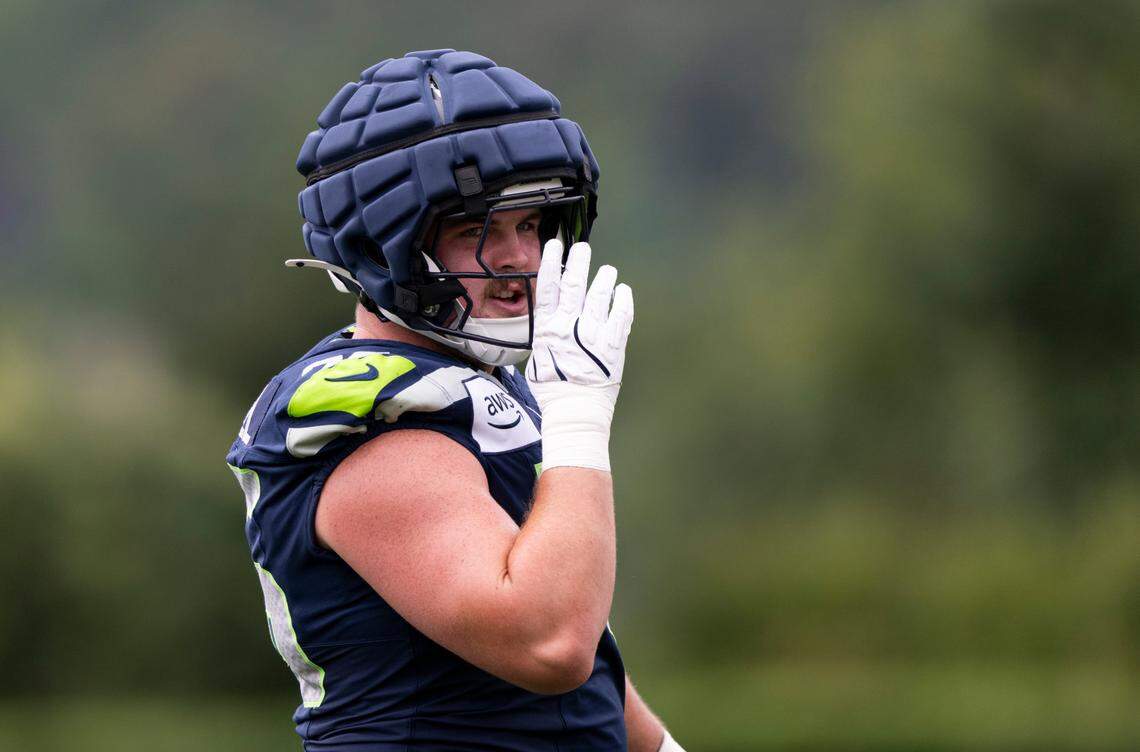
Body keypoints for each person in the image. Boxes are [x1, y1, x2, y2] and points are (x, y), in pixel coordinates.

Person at [227, 49, 685, 751]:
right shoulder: (376, 423)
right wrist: (580, 417)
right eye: (479, 230)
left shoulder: (489, 385)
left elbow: (586, 642)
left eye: (531, 225)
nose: (518, 260)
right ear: (385, 246)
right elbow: (550, 642)